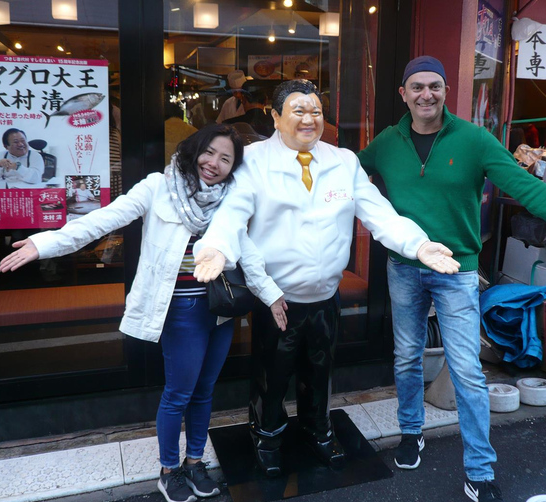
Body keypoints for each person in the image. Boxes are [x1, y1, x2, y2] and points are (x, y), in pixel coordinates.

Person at [357, 56, 546, 502]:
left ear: (446, 90)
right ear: (403, 94)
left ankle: (479, 473)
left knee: (468, 370)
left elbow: (527, 188)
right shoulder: (386, 144)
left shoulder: (473, 140)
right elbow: (343, 182)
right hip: (404, 265)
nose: (426, 94)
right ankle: (411, 432)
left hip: (459, 270)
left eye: (435, 86)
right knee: (406, 355)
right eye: (417, 87)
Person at [193, 79, 461, 477]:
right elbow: (232, 215)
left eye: (316, 111)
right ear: (275, 117)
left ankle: (319, 431)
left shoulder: (343, 161)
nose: (309, 119)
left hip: (325, 295)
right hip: (277, 299)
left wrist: (418, 245)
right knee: (273, 373)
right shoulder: (252, 161)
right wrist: (214, 248)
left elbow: (379, 213)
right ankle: (266, 435)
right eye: (298, 111)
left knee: (320, 372)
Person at [0, 124, 276, 502]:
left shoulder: (231, 199)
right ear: (194, 150)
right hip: (180, 308)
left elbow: (247, 251)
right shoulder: (158, 186)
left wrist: (272, 296)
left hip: (221, 309)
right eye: (209, 153)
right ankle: (168, 471)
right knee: (179, 393)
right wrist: (44, 242)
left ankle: (194, 462)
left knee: (205, 390)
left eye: (225, 159)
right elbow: (102, 220)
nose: (214, 164)